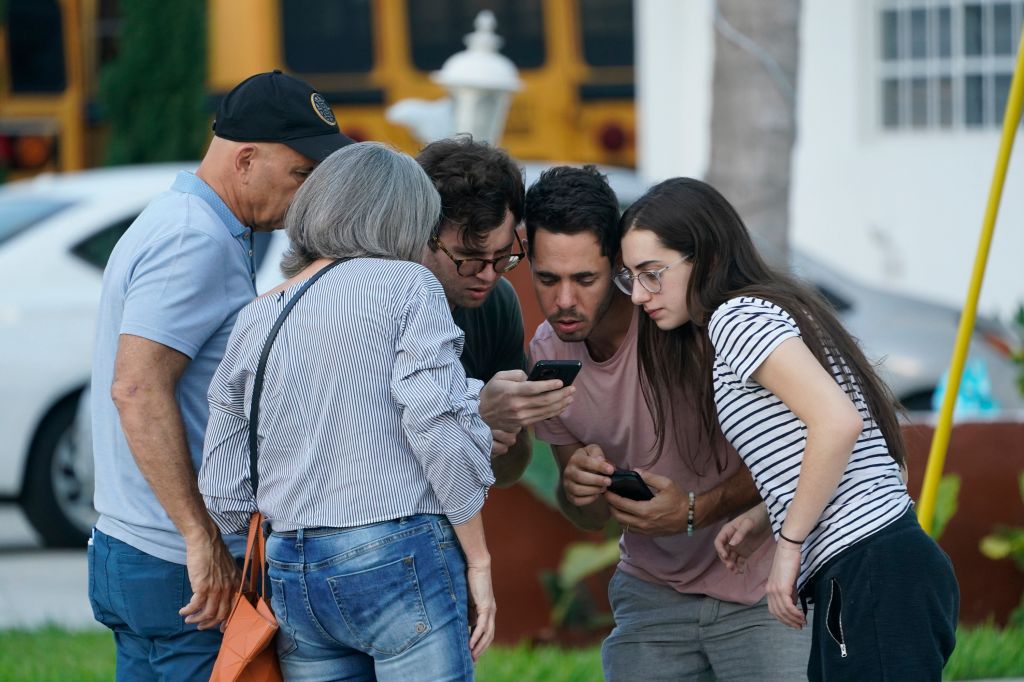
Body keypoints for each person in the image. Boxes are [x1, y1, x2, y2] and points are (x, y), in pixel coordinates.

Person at [617, 177, 959, 680]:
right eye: (629, 277)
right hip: (876, 567)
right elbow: (867, 444)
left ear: (705, 258)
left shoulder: (736, 319)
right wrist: (764, 518)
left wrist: (790, 545)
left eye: (652, 273)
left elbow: (838, 423)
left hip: (870, 570)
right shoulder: (769, 310)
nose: (640, 296)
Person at [88, 71, 352, 680]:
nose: (307, 196)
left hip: (140, 545)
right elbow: (136, 386)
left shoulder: (185, 220)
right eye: (300, 175)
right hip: (174, 556)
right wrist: (199, 534)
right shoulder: (194, 238)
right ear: (246, 158)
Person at [199, 142, 496, 680]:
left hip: (291, 567)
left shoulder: (261, 313)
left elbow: (222, 484)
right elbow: (434, 422)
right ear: (407, 221)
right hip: (396, 551)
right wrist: (479, 558)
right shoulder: (409, 286)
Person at [525, 166, 811, 681]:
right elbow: (587, 518)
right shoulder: (547, 351)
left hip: (762, 586)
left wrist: (698, 510)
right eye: (547, 279)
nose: (564, 300)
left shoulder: (681, 319)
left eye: (585, 279)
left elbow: (795, 447)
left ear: (617, 264)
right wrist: (579, 488)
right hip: (652, 593)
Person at [417, 137, 574, 486]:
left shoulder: (497, 303)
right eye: (469, 257)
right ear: (421, 234)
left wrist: (504, 430)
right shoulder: (369, 303)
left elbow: (507, 473)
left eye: (503, 256)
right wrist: (475, 417)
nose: (489, 275)